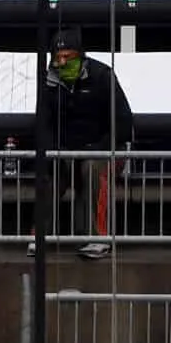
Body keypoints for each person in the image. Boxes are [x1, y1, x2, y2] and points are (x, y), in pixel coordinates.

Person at [32, 27, 136, 260]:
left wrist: (99, 148)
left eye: (68, 57)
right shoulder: (48, 81)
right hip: (66, 150)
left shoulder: (102, 76)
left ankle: (98, 237)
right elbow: (43, 123)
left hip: (103, 149)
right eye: (57, 58)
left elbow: (122, 122)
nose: (62, 63)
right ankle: (38, 236)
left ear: (80, 55)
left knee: (91, 167)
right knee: (50, 171)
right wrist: (51, 151)